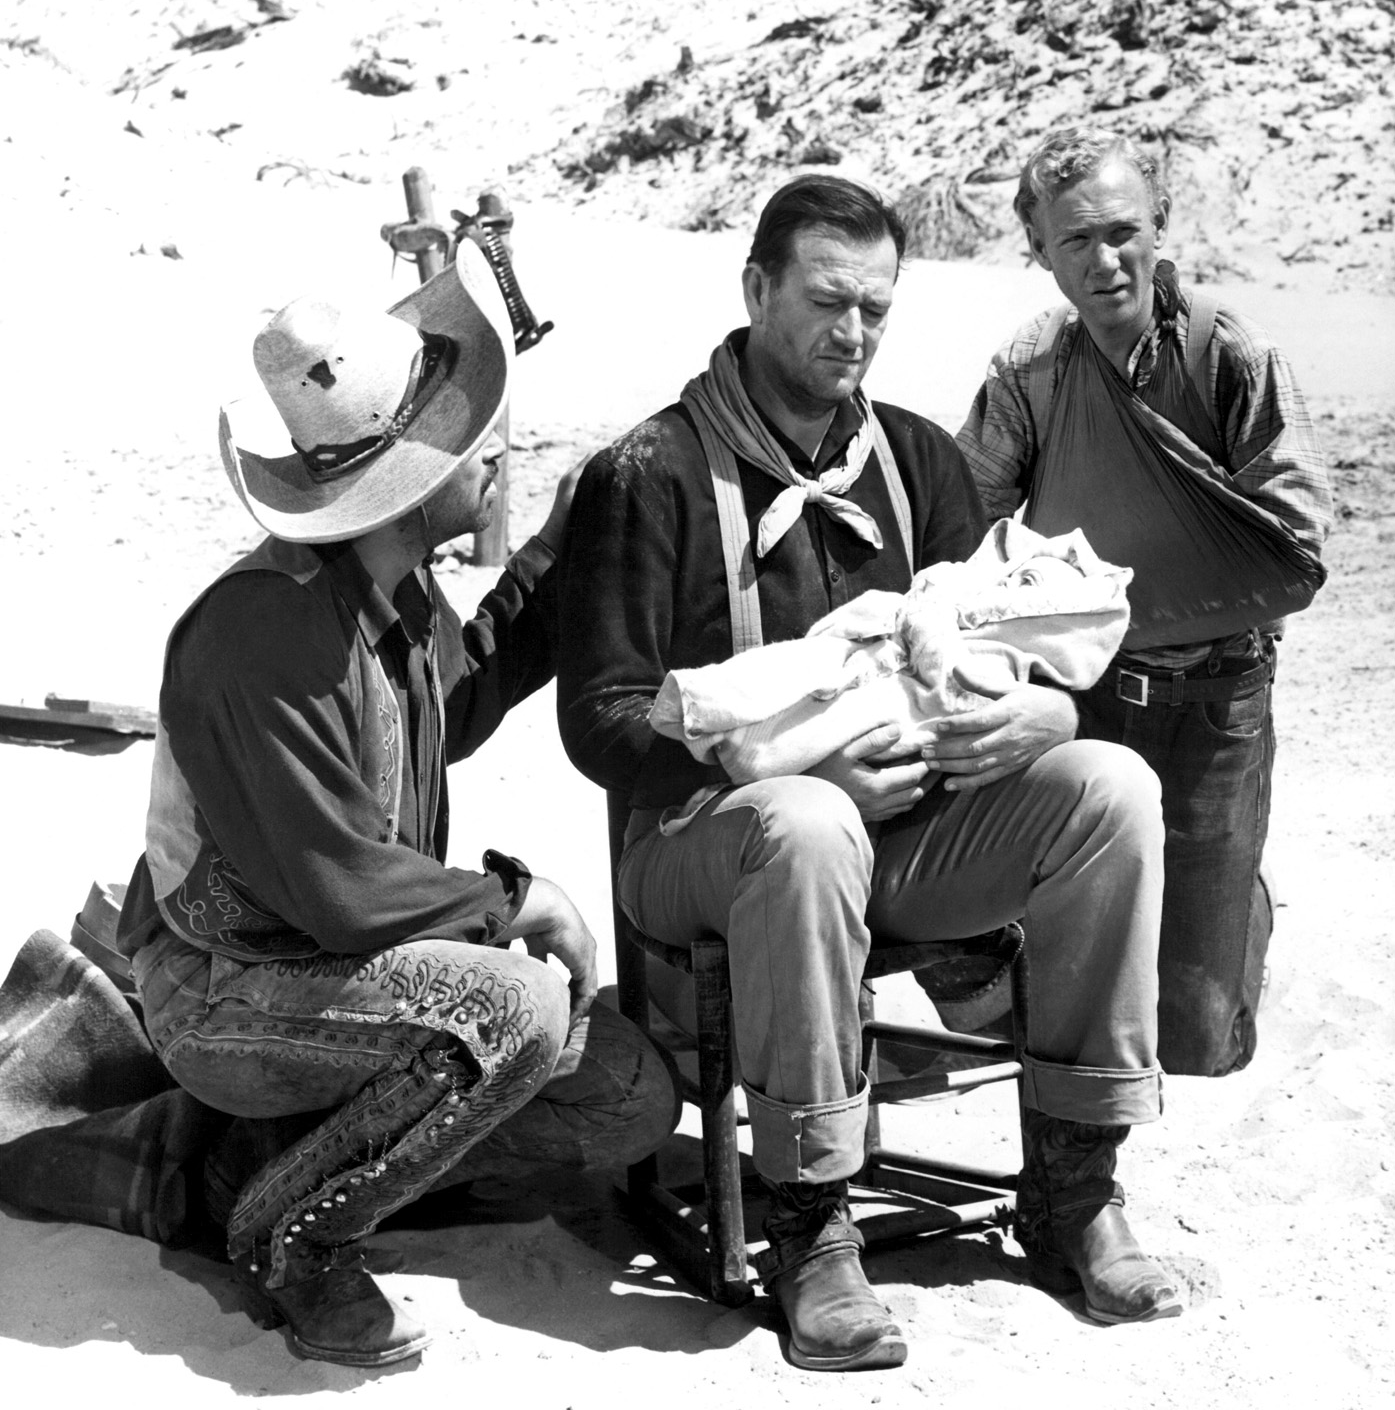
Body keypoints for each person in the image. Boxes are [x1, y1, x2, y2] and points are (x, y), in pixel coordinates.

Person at [556, 175, 1184, 1375]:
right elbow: (600, 722)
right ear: (756, 290)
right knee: (804, 823)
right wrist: (802, 761)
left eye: (876, 310)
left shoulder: (915, 460)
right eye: (826, 301)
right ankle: (812, 1225)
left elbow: (1000, 629)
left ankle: (1075, 1191)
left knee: (1109, 787)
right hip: (701, 844)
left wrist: (1045, 714)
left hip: (899, 845)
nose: (852, 333)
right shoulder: (652, 471)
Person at [94, 243, 677, 1366]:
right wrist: (520, 900)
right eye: (472, 439)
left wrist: (560, 548)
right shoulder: (265, 629)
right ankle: (293, 1239)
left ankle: (263, 1160)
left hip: (330, 964)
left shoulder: (386, 588)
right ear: (408, 482)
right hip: (226, 987)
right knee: (515, 1011)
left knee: (627, 1100)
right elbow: (343, 889)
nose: (496, 449)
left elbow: (455, 701)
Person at [957, 128, 1333, 1077]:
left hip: (1216, 704)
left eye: (1122, 231)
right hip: (1085, 702)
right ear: (1038, 251)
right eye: (1075, 240)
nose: (1104, 261)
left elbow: (1292, 555)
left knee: (1198, 1044)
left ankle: (1239, 905)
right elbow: (967, 524)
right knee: (1074, 1011)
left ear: (1159, 225)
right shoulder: (1032, 367)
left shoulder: (1228, 354)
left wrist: (1107, 599)